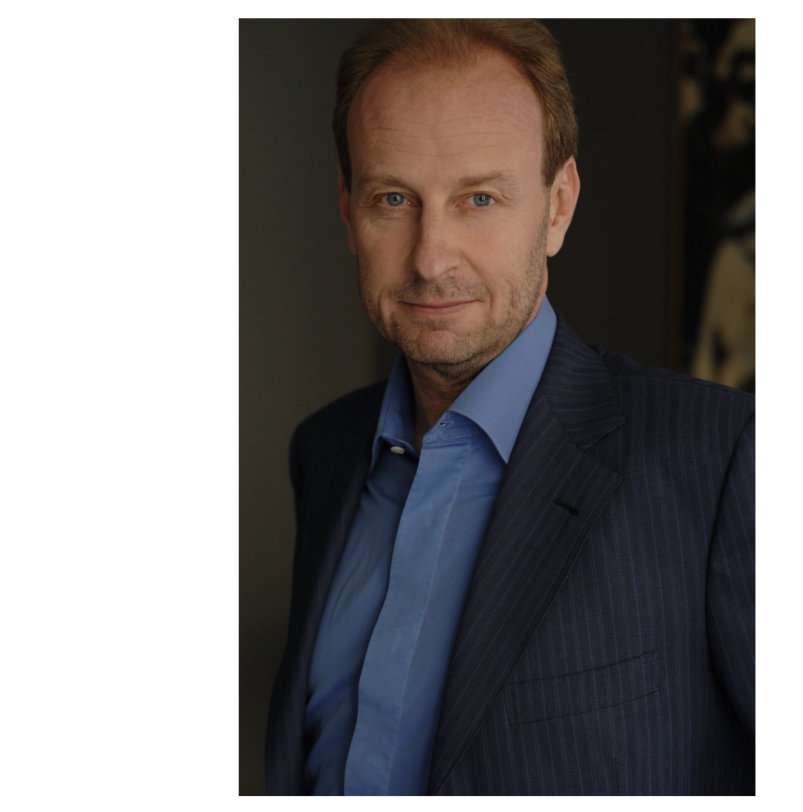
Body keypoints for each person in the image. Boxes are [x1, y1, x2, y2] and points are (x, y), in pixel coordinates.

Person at [266, 19, 754, 796]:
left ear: (558, 207)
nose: (431, 257)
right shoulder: (324, 452)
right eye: (393, 198)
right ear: (347, 208)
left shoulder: (721, 459)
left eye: (479, 198)